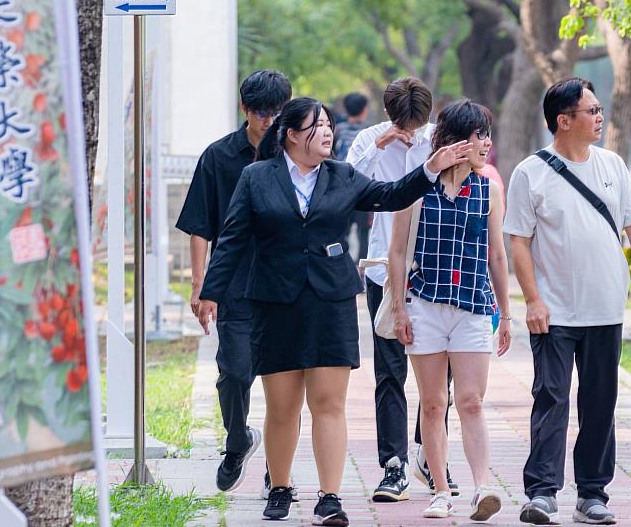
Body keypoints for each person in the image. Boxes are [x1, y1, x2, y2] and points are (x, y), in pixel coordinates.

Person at [197, 97, 473, 525]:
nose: (327, 132)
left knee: (329, 403)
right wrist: (210, 292)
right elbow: (232, 238)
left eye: (328, 124)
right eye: (316, 125)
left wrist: (430, 168)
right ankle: (282, 488)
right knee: (282, 405)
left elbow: (390, 195)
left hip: (331, 301)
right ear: (291, 134)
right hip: (275, 301)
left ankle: (330, 496)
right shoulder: (257, 177)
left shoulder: (343, 176)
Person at [504, 77, 631, 525]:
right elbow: (519, 243)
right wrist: (532, 301)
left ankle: (593, 494)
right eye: (591, 111)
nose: (600, 116)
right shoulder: (530, 173)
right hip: (553, 310)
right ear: (563, 120)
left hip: (605, 307)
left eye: (598, 109)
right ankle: (541, 493)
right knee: (550, 398)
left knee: (600, 402)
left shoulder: (612, 165)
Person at [389, 99, 512, 521]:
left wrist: (507, 315)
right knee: (432, 402)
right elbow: (399, 251)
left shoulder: (490, 187)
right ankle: (441, 490)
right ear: (457, 139)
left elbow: (497, 255)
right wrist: (400, 310)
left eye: (487, 135)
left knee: (471, 400)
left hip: (475, 305)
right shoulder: (419, 185)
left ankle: (482, 488)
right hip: (424, 304)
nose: (486, 143)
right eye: (479, 135)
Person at [174, 69, 291, 495]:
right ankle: (237, 438)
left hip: (286, 284)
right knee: (235, 372)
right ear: (245, 110)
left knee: (286, 382)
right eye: (262, 112)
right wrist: (200, 286)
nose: (269, 121)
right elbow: (200, 224)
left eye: (277, 113)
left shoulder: (295, 154)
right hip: (237, 283)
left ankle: (278, 474)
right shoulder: (219, 157)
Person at [347, 77, 457, 502]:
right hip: (383, 271)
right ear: (389, 114)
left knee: (439, 374)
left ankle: (429, 456)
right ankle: (392, 465)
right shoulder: (368, 140)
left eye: (416, 123)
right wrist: (380, 147)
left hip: (433, 270)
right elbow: (347, 189)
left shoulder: (438, 141)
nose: (409, 131)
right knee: (389, 370)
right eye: (402, 123)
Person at [333, 92, 373, 266]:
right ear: (364, 110)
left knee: (341, 230)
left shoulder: (338, 130)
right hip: (363, 188)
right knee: (364, 231)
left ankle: (341, 263)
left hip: (340, 188)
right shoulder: (370, 132)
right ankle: (361, 268)